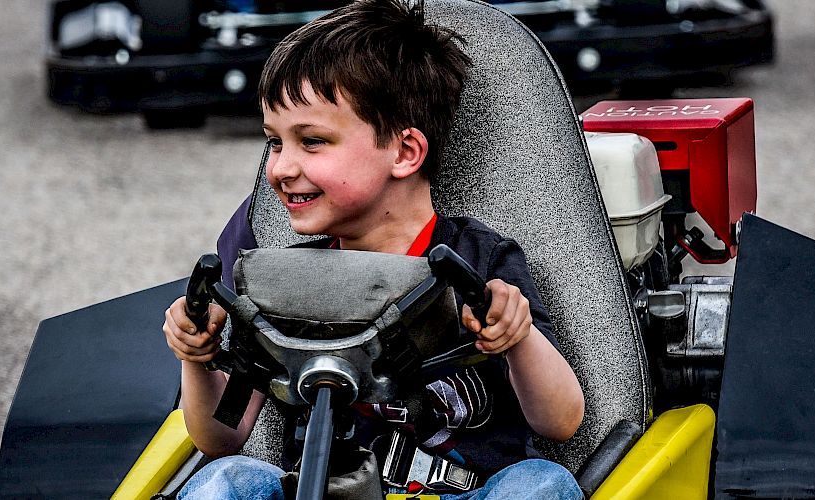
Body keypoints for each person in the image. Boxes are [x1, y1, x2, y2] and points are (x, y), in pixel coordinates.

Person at [160, 0, 586, 498]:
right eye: (275, 143)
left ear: (405, 153)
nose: (280, 168)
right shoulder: (283, 282)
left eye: (312, 141)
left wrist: (518, 338)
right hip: (318, 488)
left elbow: (561, 423)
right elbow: (222, 437)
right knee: (226, 480)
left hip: (463, 491)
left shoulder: (481, 263)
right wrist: (197, 357)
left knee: (542, 483)